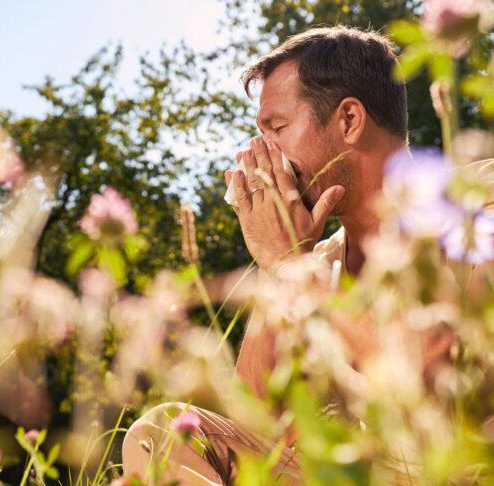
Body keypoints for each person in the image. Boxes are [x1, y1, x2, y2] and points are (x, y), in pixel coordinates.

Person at [121, 25, 412, 485]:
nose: (260, 154)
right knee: (162, 433)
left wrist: (291, 268)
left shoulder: (472, 207)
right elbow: (256, 433)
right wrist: (276, 267)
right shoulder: (315, 264)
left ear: (349, 120)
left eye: (276, 129)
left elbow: (429, 379)